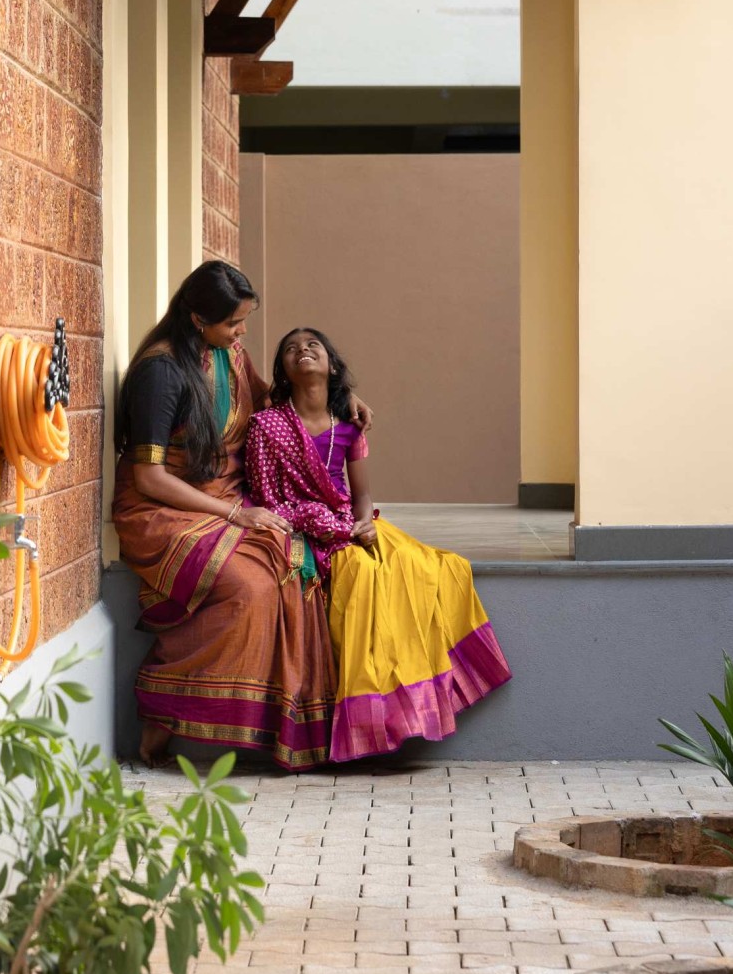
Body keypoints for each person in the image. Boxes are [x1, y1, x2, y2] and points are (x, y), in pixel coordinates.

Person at [246, 328, 512, 763]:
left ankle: (418, 703)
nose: (302, 350)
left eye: (313, 345)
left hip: (352, 523)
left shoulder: (349, 426)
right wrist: (315, 520)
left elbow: (362, 496)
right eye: (291, 348)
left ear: (331, 365)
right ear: (283, 371)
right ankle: (372, 722)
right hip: (302, 528)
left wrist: (365, 523)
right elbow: (266, 498)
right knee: (365, 577)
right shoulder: (267, 426)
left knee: (430, 568)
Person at [113, 263, 335, 771]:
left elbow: (270, 403)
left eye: (244, 323)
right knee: (249, 588)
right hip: (162, 507)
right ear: (197, 318)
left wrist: (341, 401)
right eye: (233, 323)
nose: (241, 334)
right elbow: (148, 479)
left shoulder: (228, 354)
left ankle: (284, 727)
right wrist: (237, 515)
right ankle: (164, 707)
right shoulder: (160, 372)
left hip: (222, 498)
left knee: (293, 568)